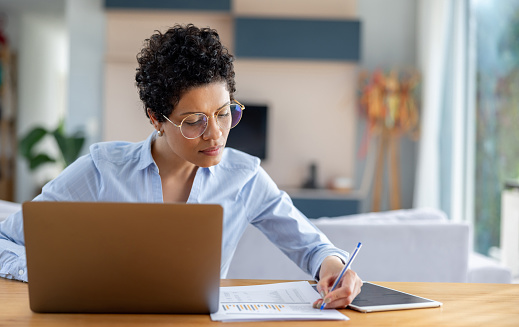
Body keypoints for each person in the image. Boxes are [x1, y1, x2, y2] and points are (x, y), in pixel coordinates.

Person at [0, 24, 362, 309]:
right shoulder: (100, 170)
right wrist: (53, 273)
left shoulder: (245, 177)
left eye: (224, 114)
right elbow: (7, 238)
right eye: (194, 121)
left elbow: (314, 247)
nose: (216, 135)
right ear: (156, 118)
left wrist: (331, 266)